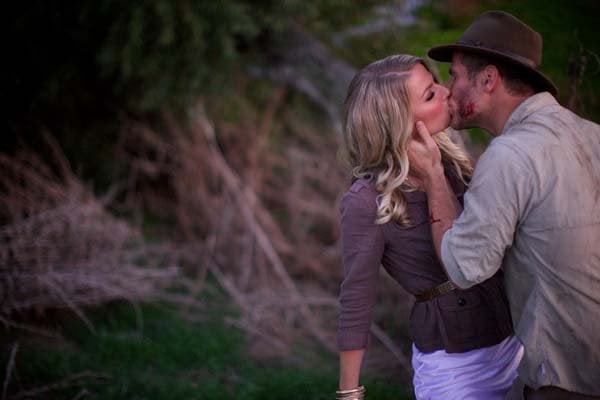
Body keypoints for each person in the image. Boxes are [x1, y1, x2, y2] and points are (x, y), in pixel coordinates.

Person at [407, 10, 600, 400]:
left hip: (566, 381)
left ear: (489, 79)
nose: (448, 89)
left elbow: (464, 267)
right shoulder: (592, 134)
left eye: (455, 76)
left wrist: (432, 178)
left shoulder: (510, 154)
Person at [336, 54, 523, 400]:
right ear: (398, 123)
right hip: (454, 363)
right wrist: (349, 393)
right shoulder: (365, 201)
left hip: (513, 339)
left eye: (436, 82)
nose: (446, 92)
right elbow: (357, 299)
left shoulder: (450, 160)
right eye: (429, 95)